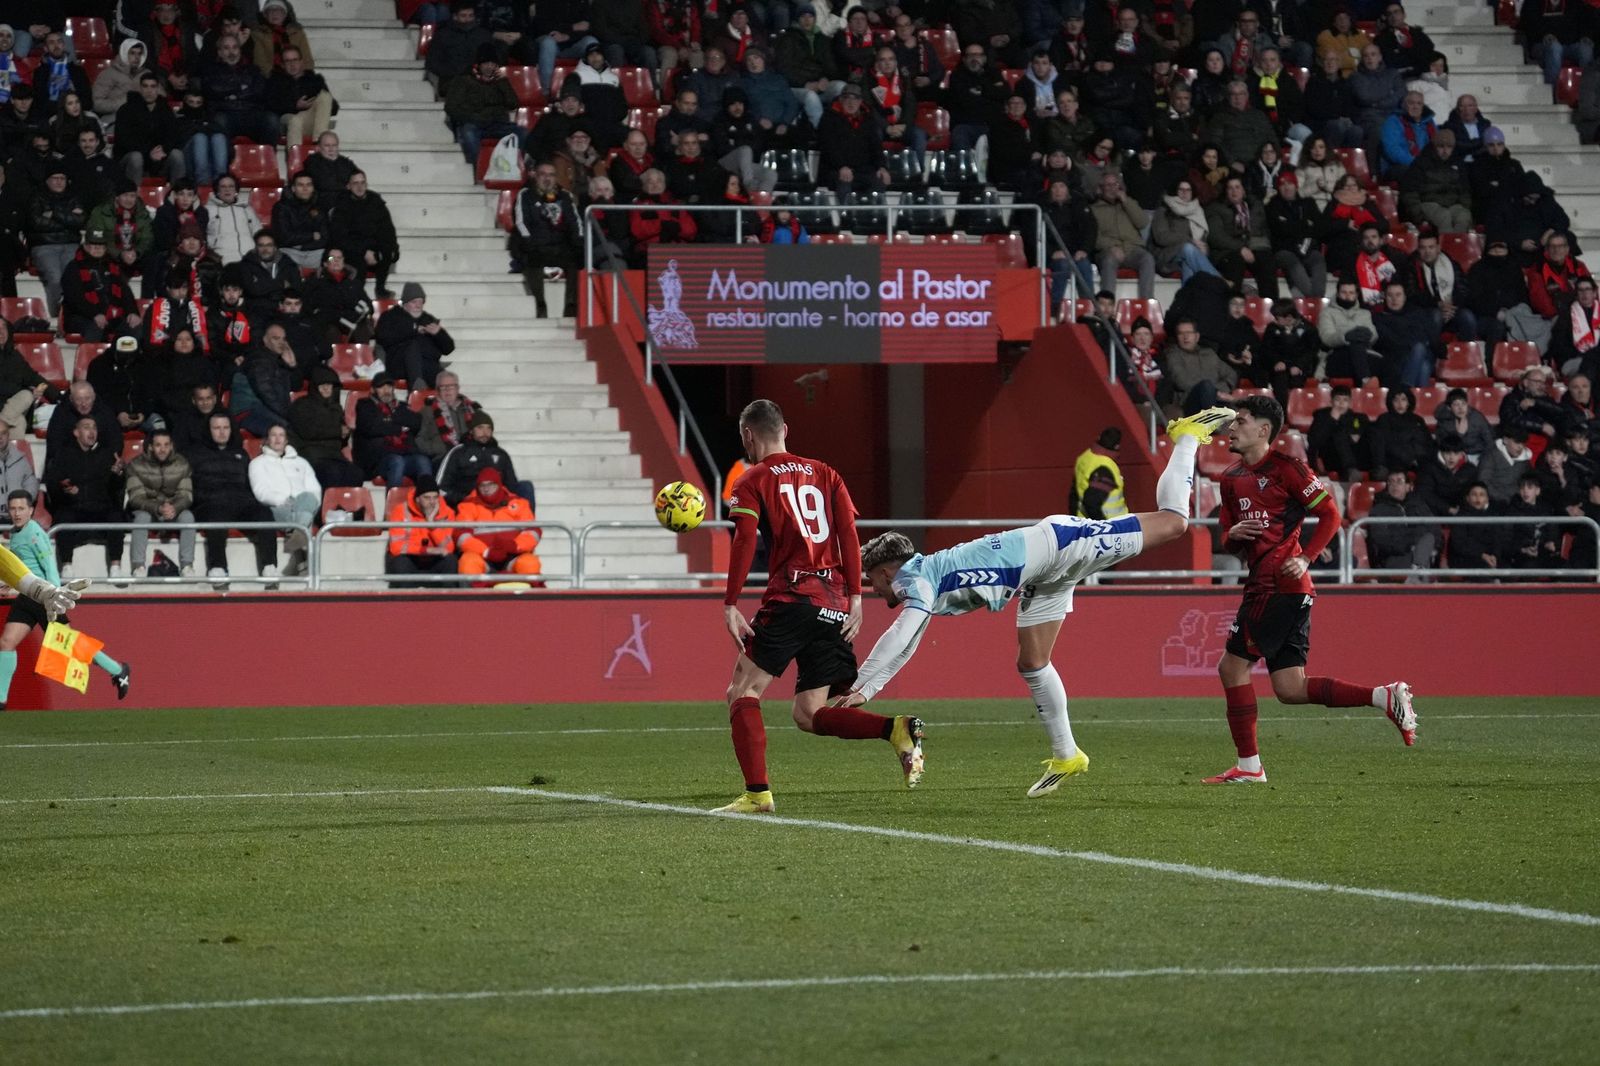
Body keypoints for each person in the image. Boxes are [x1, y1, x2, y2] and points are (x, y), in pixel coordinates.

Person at [839, 405, 1238, 797]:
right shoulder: (924, 577)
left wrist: (862, 686)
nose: (873, 589)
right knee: (1032, 661)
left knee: (1174, 523)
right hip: (1043, 572)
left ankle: (1186, 435)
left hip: (1062, 546)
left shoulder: (915, 578)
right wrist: (869, 688)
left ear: (888, 570)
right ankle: (1067, 755)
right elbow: (909, 638)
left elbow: (901, 632)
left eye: (872, 579)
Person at [1206, 396, 1417, 784]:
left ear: (1263, 430)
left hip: (1279, 585)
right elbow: (1229, 539)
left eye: (1240, 421)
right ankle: (1383, 696)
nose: (1231, 428)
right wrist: (1232, 535)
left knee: (1231, 666)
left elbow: (1332, 514)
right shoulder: (1230, 479)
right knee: (1290, 687)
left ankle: (1250, 767)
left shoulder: (1288, 469)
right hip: (1272, 585)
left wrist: (1306, 558)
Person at [716, 398, 912, 815]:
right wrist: (857, 596)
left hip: (791, 598)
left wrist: (731, 602)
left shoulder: (751, 479)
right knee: (809, 712)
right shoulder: (827, 473)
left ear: (748, 435)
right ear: (785, 429)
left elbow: (745, 539)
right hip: (835, 602)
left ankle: (757, 794)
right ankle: (896, 730)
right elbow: (847, 533)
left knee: (742, 690)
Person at [0, 490, 125, 705]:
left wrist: (56, 597)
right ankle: (1, 699)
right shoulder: (17, 533)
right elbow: (25, 568)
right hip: (27, 598)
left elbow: (49, 567)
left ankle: (118, 669)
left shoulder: (34, 534)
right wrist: (10, 583)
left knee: (70, 644)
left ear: (31, 510)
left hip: (44, 598)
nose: (17, 513)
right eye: (13, 509)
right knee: (6, 642)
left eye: (21, 508)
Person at [190, 411, 280, 586]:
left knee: (263, 512)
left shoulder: (241, 453)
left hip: (239, 502)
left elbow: (249, 484)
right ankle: (217, 567)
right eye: (217, 428)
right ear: (209, 430)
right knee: (216, 514)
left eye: (226, 427)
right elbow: (192, 486)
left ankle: (270, 566)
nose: (222, 432)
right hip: (210, 503)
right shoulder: (195, 454)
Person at [43, 415, 127, 579]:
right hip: (73, 507)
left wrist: (118, 474)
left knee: (116, 516)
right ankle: (66, 566)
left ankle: (116, 566)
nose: (92, 431)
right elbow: (53, 483)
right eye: (87, 427)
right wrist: (66, 490)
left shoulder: (107, 454)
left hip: (100, 508)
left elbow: (116, 488)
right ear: (76, 432)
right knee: (63, 517)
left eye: (94, 427)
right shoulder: (63, 454)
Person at [248, 423, 320, 575]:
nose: (277, 438)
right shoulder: (257, 463)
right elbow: (261, 492)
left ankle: (296, 542)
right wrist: (284, 500)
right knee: (305, 514)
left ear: (287, 440)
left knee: (307, 498)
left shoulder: (301, 462)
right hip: (278, 507)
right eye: (273, 435)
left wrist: (301, 503)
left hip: (303, 504)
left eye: (281, 435)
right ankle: (301, 556)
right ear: (267, 440)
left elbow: (315, 490)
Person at [125, 428, 195, 578]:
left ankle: (187, 566)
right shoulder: (135, 465)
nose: (162, 449)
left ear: (171, 446)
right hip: (147, 508)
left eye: (166, 445)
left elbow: (186, 495)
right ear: (150, 446)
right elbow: (136, 498)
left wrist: (174, 508)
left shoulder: (182, 464)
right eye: (158, 445)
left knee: (188, 517)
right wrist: (158, 508)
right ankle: (138, 566)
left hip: (173, 509)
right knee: (141, 518)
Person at [513, 162, 581, 319]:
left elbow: (575, 222)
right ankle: (540, 305)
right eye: (543, 174)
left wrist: (578, 240)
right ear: (535, 176)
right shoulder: (526, 194)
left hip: (559, 246)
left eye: (551, 175)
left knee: (577, 259)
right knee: (532, 259)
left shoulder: (565, 196)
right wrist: (529, 241)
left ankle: (571, 307)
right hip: (536, 245)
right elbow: (521, 222)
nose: (547, 179)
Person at [455, 467, 540, 582]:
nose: (486, 489)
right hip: (482, 557)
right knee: (468, 563)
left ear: (499, 484)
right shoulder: (468, 505)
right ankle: (473, 599)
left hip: (513, 556)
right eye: (482, 485)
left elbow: (533, 532)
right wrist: (486, 552)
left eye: (491, 485)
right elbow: (462, 537)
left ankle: (529, 599)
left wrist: (514, 546)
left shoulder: (519, 503)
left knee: (530, 563)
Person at [435, 410, 534, 507]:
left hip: (497, 504)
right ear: (471, 430)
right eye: (480, 428)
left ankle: (528, 522)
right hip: (468, 505)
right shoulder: (458, 452)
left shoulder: (501, 454)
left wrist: (500, 500)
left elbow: (511, 485)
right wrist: (466, 499)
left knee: (525, 486)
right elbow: (441, 488)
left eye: (488, 428)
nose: (485, 432)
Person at [327, 170, 398, 300]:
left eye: (362, 183)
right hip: (352, 249)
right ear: (348, 186)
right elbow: (340, 237)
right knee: (358, 264)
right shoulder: (341, 205)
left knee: (386, 252)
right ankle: (357, 297)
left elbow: (388, 229)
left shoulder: (376, 201)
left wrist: (392, 249)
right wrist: (364, 251)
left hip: (373, 247)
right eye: (355, 183)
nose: (359, 187)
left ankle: (380, 289)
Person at [445, 44, 520, 164]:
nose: (489, 67)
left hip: (497, 125)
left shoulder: (500, 82)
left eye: (493, 64)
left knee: (522, 133)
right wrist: (473, 117)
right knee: (468, 133)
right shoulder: (464, 81)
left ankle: (520, 168)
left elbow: (513, 104)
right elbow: (451, 107)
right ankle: (478, 168)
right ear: (478, 65)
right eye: (486, 63)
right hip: (473, 124)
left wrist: (503, 82)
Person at [353, 371, 431, 487]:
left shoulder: (401, 406)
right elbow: (371, 428)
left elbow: (416, 422)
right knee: (397, 461)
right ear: (373, 390)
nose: (386, 391)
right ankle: (393, 503)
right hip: (377, 460)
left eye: (389, 386)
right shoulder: (365, 405)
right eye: (381, 387)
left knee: (422, 461)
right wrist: (399, 427)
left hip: (405, 454)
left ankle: (427, 496)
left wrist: (389, 420)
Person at [374, 282, 455, 387]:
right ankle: (418, 387)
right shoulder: (390, 316)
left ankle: (435, 390)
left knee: (443, 378)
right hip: (399, 365)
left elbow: (448, 349)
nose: (418, 305)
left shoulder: (428, 319)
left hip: (427, 364)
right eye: (414, 302)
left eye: (421, 302)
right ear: (405, 303)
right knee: (413, 346)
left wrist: (439, 334)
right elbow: (382, 338)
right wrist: (413, 330)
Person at [385, 472, 458, 588]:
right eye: (427, 498)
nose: (432, 502)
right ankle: (403, 603)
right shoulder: (400, 511)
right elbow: (396, 547)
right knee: (400, 563)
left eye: (435, 497)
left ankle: (448, 602)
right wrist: (427, 550)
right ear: (417, 499)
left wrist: (432, 526)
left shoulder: (447, 513)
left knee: (450, 561)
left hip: (435, 560)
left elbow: (448, 548)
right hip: (411, 559)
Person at [1090, 172, 1154, 299]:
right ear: (1101, 188)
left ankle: (1146, 302)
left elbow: (1143, 222)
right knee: (1109, 260)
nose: (1112, 188)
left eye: (1115, 184)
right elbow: (1093, 237)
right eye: (1108, 185)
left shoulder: (1129, 203)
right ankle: (1107, 304)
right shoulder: (1094, 209)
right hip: (1108, 251)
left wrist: (1126, 201)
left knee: (1147, 258)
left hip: (1132, 249)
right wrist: (1112, 246)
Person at [1162, 317, 1244, 414]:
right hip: (1190, 403)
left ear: (1197, 336)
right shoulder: (1173, 355)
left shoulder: (1209, 353)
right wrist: (1214, 392)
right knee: (1206, 386)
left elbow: (1231, 374)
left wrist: (1217, 391)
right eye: (1181, 333)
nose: (1185, 337)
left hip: (1218, 400)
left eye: (1189, 333)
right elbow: (1182, 382)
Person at [1367, 468, 1436, 575]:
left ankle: (1417, 569)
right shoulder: (1379, 510)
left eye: (1399, 481)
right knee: (1422, 561)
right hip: (1394, 556)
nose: (1395, 485)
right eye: (1391, 482)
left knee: (1429, 539)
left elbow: (1434, 530)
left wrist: (1434, 548)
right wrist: (1410, 545)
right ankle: (1417, 570)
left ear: (1408, 486)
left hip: (1423, 552)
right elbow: (1381, 540)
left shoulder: (1419, 506)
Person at [265, 44, 333, 148]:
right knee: (295, 120)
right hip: (287, 117)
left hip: (310, 119)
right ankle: (295, 161)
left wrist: (314, 104)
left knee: (324, 96)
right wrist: (295, 105)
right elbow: (270, 105)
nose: (292, 64)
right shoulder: (275, 80)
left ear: (301, 62)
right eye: (288, 61)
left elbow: (333, 108)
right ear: (283, 65)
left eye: (295, 60)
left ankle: (319, 143)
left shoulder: (315, 79)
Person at [1368, 386, 1432, 478]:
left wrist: (1419, 459)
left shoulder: (1417, 420)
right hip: (1392, 462)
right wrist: (1409, 459)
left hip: (1416, 462)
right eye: (1396, 400)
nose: (1400, 404)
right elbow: (1388, 445)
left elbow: (1426, 443)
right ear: (1391, 402)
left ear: (1409, 402)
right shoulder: (1384, 419)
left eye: (1403, 399)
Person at [417, 371, 479, 462]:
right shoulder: (427, 411)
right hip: (442, 458)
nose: (447, 390)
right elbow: (419, 439)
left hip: (469, 455)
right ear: (437, 390)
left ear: (457, 389)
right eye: (443, 387)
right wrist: (439, 449)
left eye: (451, 386)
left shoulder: (471, 409)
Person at [1415, 432, 1476, 515]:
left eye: (1456, 453)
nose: (1451, 457)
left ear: (1461, 454)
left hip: (1461, 511)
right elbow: (1425, 493)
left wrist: (1461, 509)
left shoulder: (1470, 469)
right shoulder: (1429, 467)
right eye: (1448, 453)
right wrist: (1448, 509)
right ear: (1441, 452)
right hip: (1435, 511)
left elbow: (1472, 492)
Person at [1073, 427, 1126, 519]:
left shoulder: (1085, 457)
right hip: (1111, 526)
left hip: (1083, 521)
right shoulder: (1106, 466)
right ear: (1117, 446)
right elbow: (1091, 502)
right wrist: (1102, 526)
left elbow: (1074, 495)